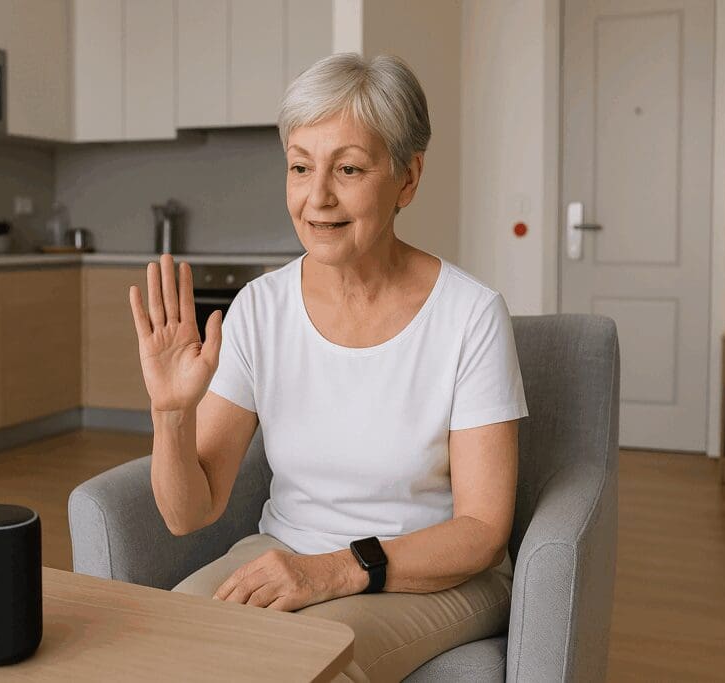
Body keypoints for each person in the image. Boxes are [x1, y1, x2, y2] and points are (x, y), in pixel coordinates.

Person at [128, 53, 528, 683]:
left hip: (431, 576)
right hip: (285, 552)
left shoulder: (470, 316)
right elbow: (188, 512)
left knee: (297, 667)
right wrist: (171, 415)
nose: (317, 198)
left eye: (348, 168)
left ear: (408, 177)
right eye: (299, 167)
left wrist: (332, 571)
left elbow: (481, 530)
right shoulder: (261, 308)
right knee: (158, 646)